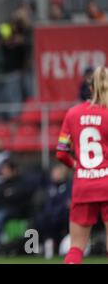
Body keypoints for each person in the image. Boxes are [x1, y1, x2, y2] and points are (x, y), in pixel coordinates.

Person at [56, 66, 108, 264]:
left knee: (76, 248)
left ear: (89, 86)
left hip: (83, 185)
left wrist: (77, 166)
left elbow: (61, 152)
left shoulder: (73, 113)